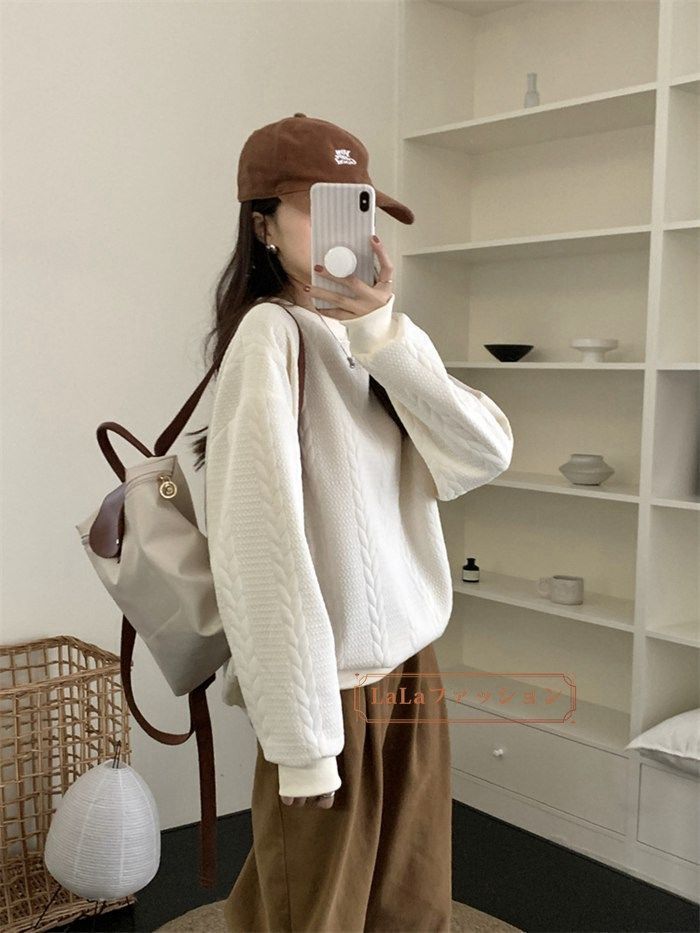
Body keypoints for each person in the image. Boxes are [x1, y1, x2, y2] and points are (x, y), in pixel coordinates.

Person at [189, 113, 514, 932]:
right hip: (327, 689)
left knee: (409, 908)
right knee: (314, 912)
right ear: (263, 226)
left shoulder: (379, 335)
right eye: (321, 208)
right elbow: (259, 551)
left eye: (360, 206)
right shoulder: (269, 336)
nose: (352, 229)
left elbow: (485, 452)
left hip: (410, 670)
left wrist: (380, 329)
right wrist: (302, 743)